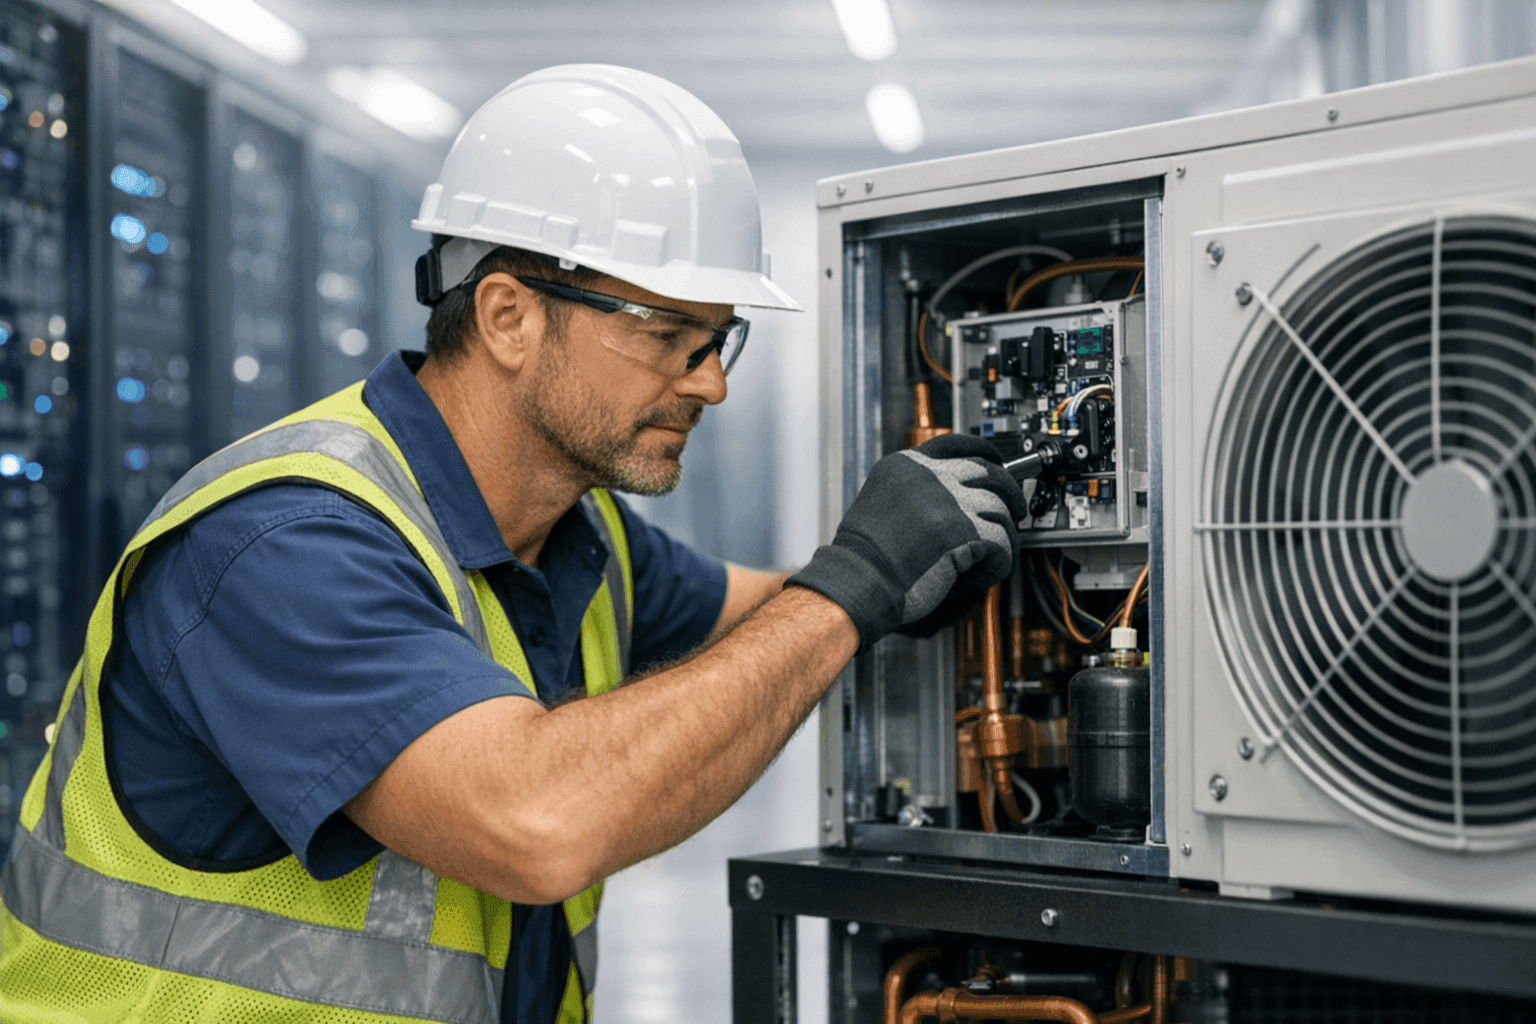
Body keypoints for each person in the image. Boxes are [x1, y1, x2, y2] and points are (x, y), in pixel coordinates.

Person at [0, 65, 1025, 1024]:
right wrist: (849, 585)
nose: (711, 381)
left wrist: (907, 576)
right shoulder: (285, 544)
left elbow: (768, 620)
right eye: (671, 335)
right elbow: (538, 824)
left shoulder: (582, 538)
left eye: (720, 341)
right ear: (507, 317)